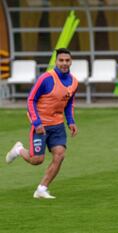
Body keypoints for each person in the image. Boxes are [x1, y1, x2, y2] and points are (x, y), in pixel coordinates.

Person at [5, 48, 78, 198]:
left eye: (67, 60)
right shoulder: (46, 78)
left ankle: (42, 189)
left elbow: (69, 102)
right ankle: (19, 150)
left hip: (57, 125)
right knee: (36, 160)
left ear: (71, 62)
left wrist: (70, 121)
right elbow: (31, 99)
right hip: (41, 125)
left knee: (59, 155)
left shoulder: (74, 81)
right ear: (56, 62)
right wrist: (37, 122)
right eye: (61, 60)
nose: (64, 63)